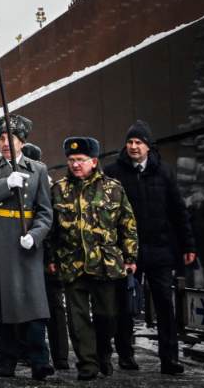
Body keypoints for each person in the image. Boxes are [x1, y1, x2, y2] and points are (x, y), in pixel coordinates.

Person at [103, 120, 194, 375]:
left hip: (159, 249)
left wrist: (187, 245)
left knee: (165, 304)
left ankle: (170, 358)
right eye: (130, 142)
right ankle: (125, 355)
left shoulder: (164, 172)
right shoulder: (113, 171)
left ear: (148, 146)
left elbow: (178, 211)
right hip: (125, 252)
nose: (133, 146)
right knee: (125, 305)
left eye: (138, 142)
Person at [47, 137, 138, 381]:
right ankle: (87, 363)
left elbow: (127, 225)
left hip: (106, 264)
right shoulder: (58, 189)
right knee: (77, 320)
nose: (75, 164)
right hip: (71, 262)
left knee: (107, 315)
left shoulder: (113, 188)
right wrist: (50, 256)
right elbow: (50, 229)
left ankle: (103, 353)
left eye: (80, 160)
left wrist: (130, 258)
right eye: (71, 160)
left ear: (94, 161)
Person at [0, 114, 54, 381]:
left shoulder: (38, 170)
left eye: (13, 138)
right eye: (3, 138)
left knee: (34, 305)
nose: (7, 143)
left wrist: (36, 234)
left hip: (26, 241)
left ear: (22, 141)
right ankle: (6, 363)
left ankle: (40, 361)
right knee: (2, 304)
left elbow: (45, 212)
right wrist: (6, 183)